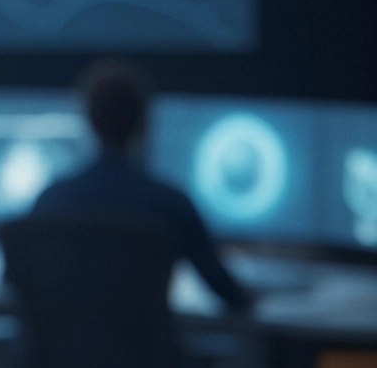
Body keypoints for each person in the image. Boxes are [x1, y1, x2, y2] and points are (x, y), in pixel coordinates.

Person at [31, 59, 255, 313]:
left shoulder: (50, 201)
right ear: (143, 121)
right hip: (145, 351)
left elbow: (15, 280)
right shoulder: (172, 204)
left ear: (89, 120)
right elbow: (228, 293)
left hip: (63, 352)